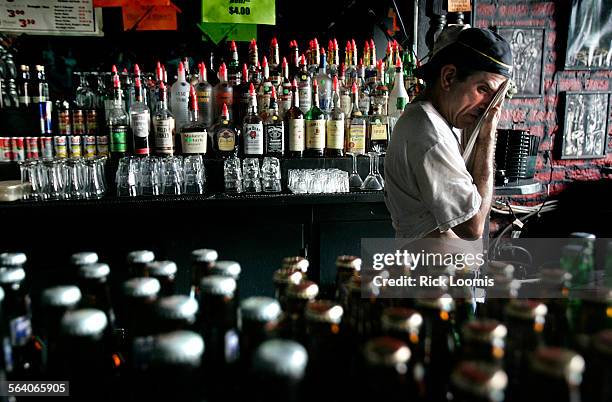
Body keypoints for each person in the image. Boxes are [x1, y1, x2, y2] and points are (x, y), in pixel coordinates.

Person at [384, 27, 513, 240]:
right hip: (431, 270)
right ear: (449, 77)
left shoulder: (438, 120)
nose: (490, 107)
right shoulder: (430, 134)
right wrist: (487, 138)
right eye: (483, 90)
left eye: (496, 97)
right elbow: (473, 226)